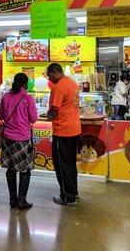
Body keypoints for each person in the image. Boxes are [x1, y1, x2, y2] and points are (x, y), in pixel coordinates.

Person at [0, 73, 37, 210]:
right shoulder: (28, 98)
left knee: (10, 169)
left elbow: (1, 115)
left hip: (8, 139)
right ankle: (22, 200)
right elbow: (33, 119)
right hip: (23, 138)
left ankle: (12, 200)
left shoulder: (5, 96)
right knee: (25, 170)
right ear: (25, 84)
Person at [46, 63, 81, 207]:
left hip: (62, 131)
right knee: (71, 164)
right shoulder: (72, 83)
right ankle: (73, 192)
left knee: (62, 166)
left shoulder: (58, 87)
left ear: (55, 73)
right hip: (74, 129)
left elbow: (54, 110)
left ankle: (68, 198)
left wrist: (48, 116)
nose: (49, 78)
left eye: (49, 75)